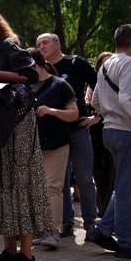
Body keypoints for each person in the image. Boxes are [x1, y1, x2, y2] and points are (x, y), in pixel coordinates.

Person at [0, 9, 54, 261]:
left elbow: (31, 75)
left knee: (21, 183)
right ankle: (9, 251)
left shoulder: (9, 46)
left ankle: (27, 256)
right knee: (2, 184)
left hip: (18, 124)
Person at [86, 24, 131, 260]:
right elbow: (128, 98)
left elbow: (96, 99)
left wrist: (110, 114)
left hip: (109, 130)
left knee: (124, 185)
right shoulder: (129, 63)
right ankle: (128, 243)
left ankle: (103, 229)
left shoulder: (106, 64)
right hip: (128, 131)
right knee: (129, 190)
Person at [36, 32, 99, 238]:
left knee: (84, 178)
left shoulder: (76, 63)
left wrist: (97, 114)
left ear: (57, 44)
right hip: (55, 135)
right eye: (38, 44)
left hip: (78, 129)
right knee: (59, 182)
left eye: (45, 42)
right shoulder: (40, 71)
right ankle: (66, 223)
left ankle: (90, 224)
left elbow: (100, 84)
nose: (41, 46)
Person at [27, 48, 79, 250]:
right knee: (34, 189)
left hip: (56, 144)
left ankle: (52, 232)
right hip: (31, 145)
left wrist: (52, 111)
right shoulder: (25, 85)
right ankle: (39, 231)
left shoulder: (61, 85)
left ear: (36, 64)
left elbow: (74, 114)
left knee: (53, 187)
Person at [86, 52, 115, 216]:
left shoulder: (119, 82)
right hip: (96, 133)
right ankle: (102, 207)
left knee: (113, 173)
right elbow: (91, 104)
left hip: (112, 128)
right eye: (103, 64)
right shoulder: (92, 85)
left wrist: (99, 116)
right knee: (98, 171)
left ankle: (109, 209)